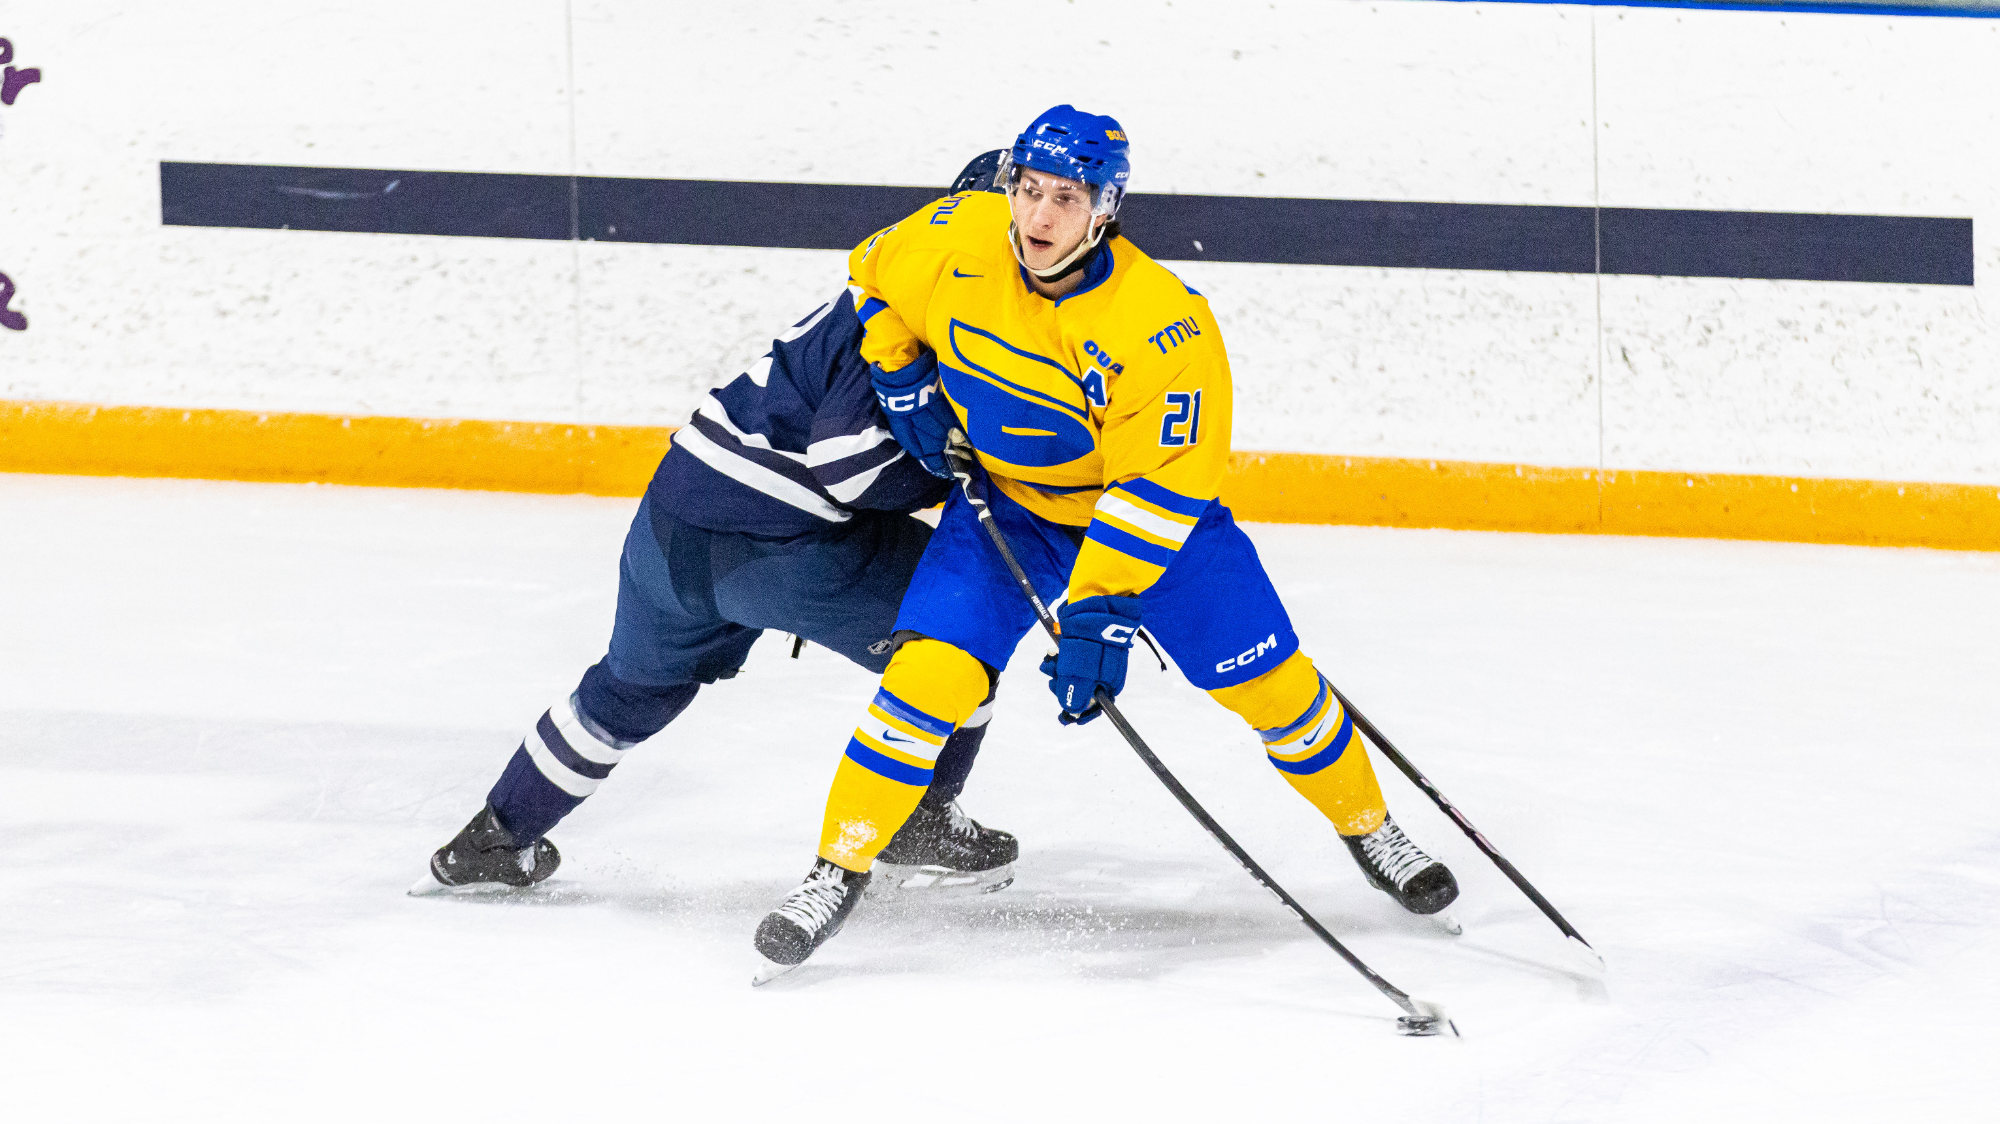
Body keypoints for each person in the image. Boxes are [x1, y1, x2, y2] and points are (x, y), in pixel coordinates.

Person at [751, 106, 1459, 973]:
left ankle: (1372, 831)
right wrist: (901, 376)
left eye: (1068, 198)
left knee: (1275, 691)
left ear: (1106, 208)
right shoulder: (953, 234)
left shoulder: (1164, 324)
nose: (1040, 218)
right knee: (924, 680)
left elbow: (1156, 491)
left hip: (1152, 529)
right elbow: (876, 278)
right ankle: (836, 869)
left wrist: (1097, 616)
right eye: (1029, 190)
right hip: (1010, 510)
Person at [410, 158, 1023, 899]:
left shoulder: (890, 277)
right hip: (781, 548)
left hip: (671, 519)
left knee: (628, 691)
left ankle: (494, 837)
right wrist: (968, 473)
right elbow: (850, 468)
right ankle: (917, 824)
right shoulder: (932, 313)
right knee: (964, 639)